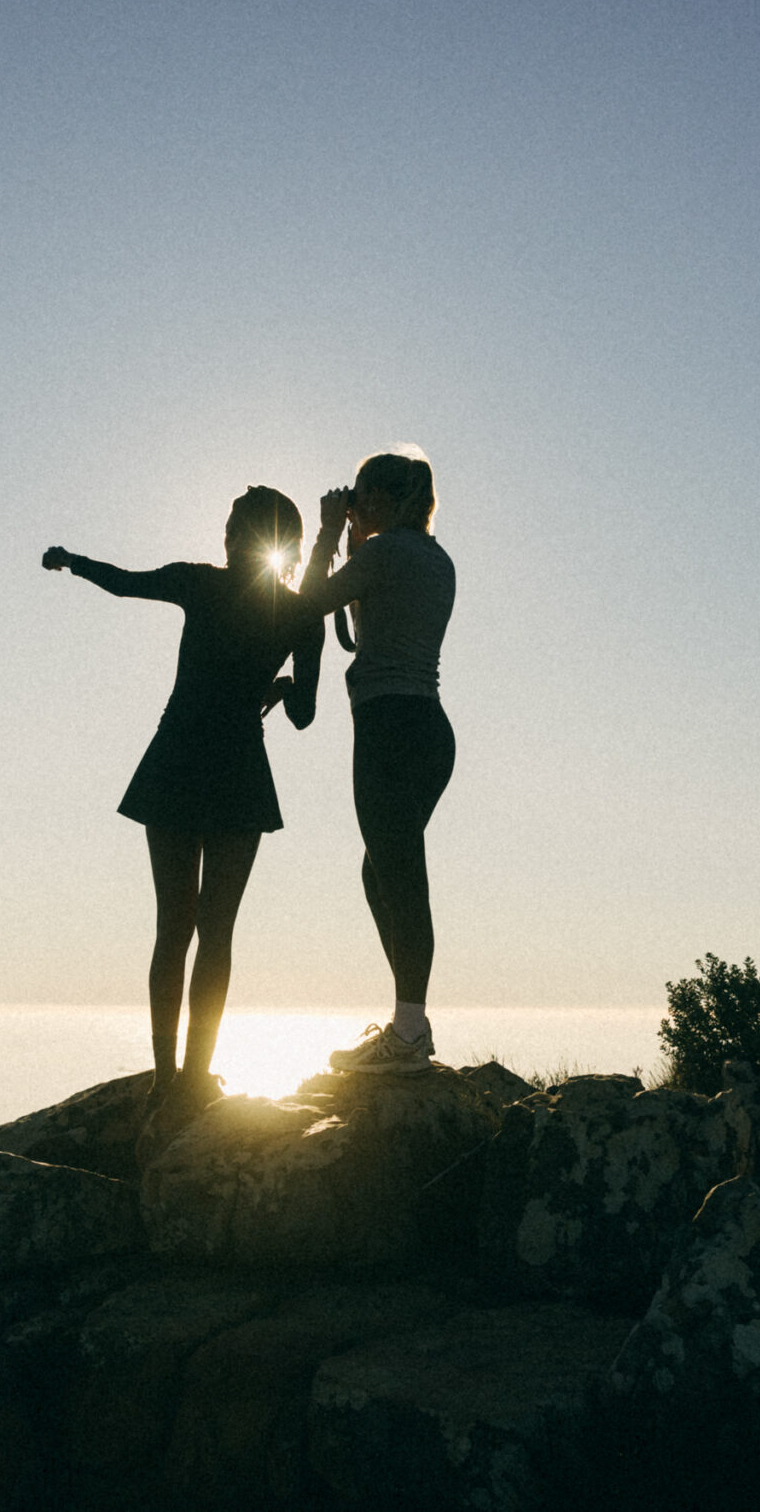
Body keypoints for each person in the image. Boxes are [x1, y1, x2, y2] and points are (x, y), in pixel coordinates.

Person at [42, 486, 324, 1112]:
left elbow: (122, 583)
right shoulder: (304, 614)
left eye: (230, 528)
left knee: (174, 926)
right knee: (216, 932)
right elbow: (304, 716)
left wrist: (71, 560)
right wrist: (276, 687)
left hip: (175, 761)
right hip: (239, 771)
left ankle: (165, 1074)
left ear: (236, 539)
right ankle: (195, 1076)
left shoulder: (200, 584)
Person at [290, 450, 457, 1074]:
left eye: (361, 494)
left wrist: (330, 533)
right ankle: (407, 1022)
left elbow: (306, 608)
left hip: (389, 725)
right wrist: (359, 539)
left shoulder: (386, 553)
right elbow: (362, 626)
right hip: (427, 729)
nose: (354, 501)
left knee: (401, 875)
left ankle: (410, 1034)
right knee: (381, 871)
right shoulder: (431, 558)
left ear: (385, 498)